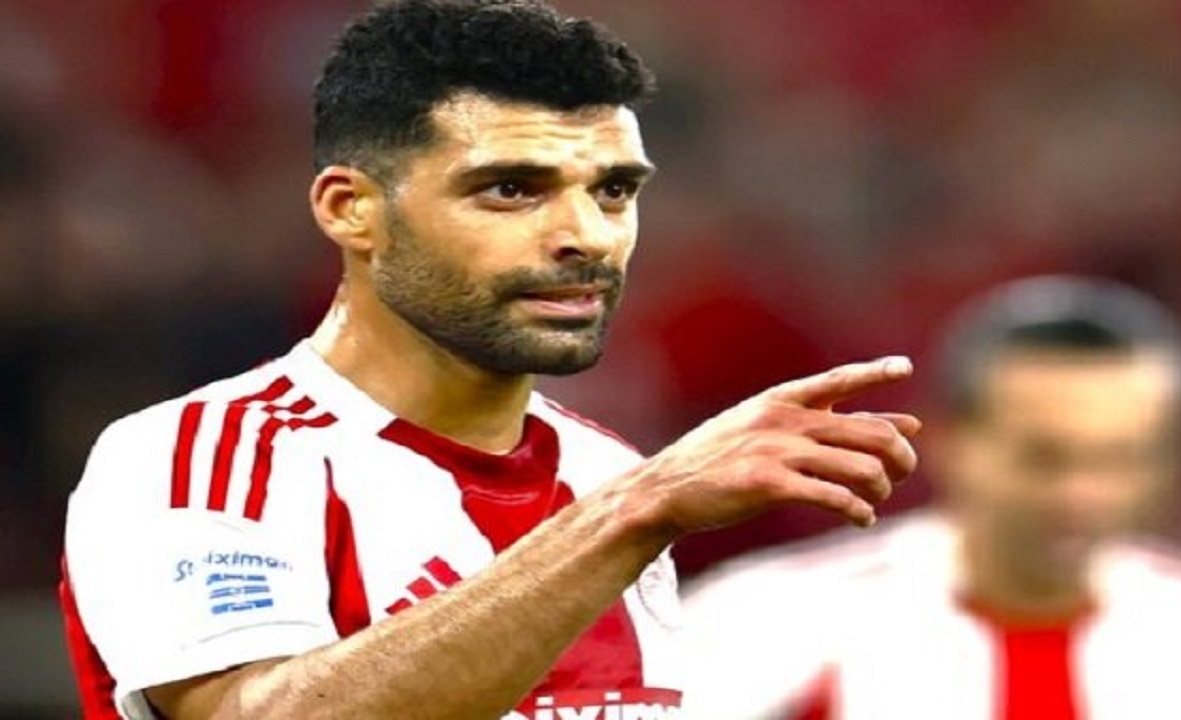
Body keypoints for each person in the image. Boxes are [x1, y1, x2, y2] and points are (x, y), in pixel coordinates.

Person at [57, 2, 922, 718]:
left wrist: (631, 507)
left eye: (613, 191)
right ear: (351, 209)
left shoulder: (604, 472)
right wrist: (635, 514)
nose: (586, 236)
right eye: (511, 189)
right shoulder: (201, 457)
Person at [682, 275, 1181, 719]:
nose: (1083, 494)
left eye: (1119, 458)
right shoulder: (768, 623)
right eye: (1045, 457)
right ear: (952, 441)